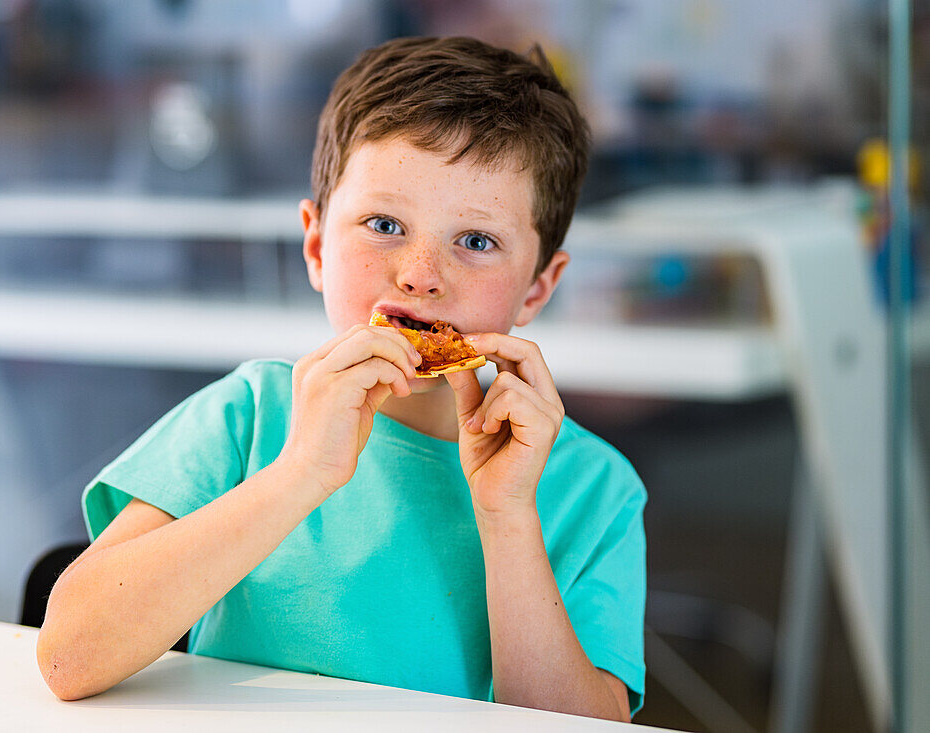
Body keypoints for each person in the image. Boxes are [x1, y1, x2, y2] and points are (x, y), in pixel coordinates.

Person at [36, 36, 646, 722]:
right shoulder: (248, 417)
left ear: (538, 287)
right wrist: (300, 472)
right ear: (318, 245)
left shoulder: (593, 487)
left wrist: (509, 519)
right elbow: (68, 656)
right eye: (384, 224)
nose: (419, 271)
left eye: (475, 241)